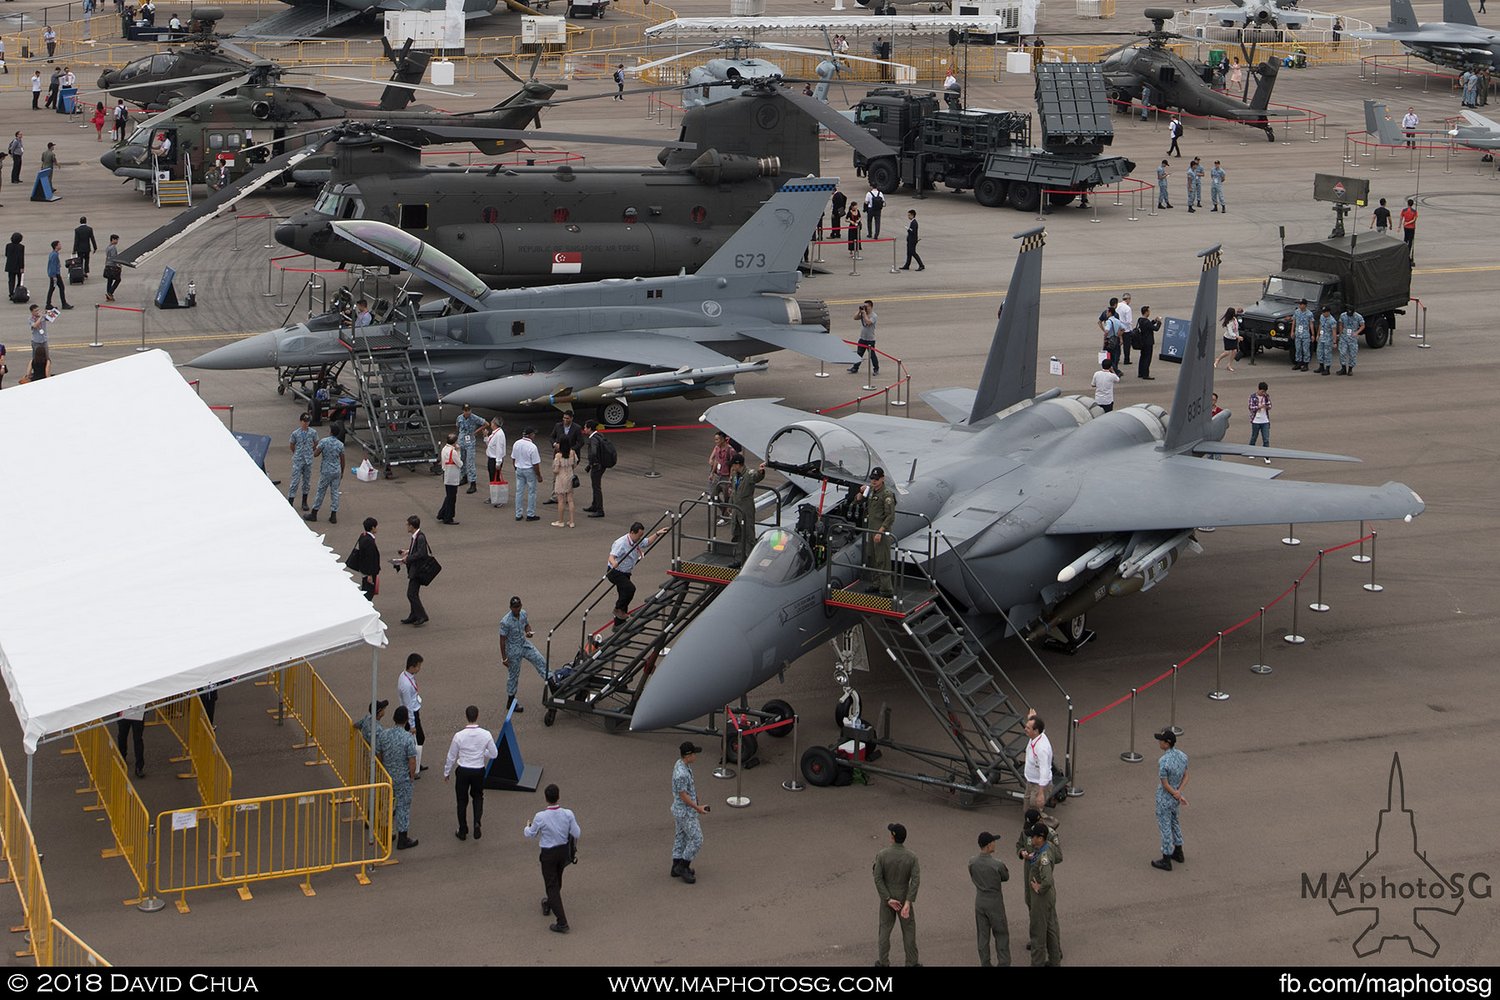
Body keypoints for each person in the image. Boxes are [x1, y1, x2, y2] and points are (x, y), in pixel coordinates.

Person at [525, 783, 580, 934]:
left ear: (546, 798)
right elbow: (577, 832)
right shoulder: (568, 814)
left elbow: (530, 834)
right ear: (558, 796)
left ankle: (562, 922)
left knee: (551, 885)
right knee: (557, 880)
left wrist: (527, 827)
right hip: (563, 852)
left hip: (548, 854)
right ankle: (549, 903)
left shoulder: (540, 816)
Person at [443, 705, 498, 842]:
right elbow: (494, 754)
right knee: (478, 797)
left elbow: (451, 755)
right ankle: (477, 822)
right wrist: (482, 753)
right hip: (478, 770)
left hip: (463, 770)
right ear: (477, 716)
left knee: (461, 801)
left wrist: (447, 771)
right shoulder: (486, 734)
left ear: (466, 716)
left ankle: (462, 830)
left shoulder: (459, 736)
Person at [873, 822, 920, 967]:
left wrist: (887, 898)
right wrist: (908, 902)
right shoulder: (912, 857)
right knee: (909, 931)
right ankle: (911, 962)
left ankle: (883, 962)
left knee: (885, 930)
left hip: (888, 897)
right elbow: (915, 880)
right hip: (904, 894)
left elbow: (878, 878)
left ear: (892, 837)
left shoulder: (882, 855)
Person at [607, 521, 671, 627]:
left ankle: (619, 623)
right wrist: (614, 563)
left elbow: (646, 543)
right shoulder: (621, 543)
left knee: (624, 594)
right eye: (639, 535)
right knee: (630, 589)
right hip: (615, 572)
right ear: (632, 532)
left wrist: (657, 534)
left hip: (626, 572)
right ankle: (618, 609)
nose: (640, 537)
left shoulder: (636, 540)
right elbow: (611, 556)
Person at [377, 706, 420, 849]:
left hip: (387, 775)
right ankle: (403, 837)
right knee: (403, 807)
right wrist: (412, 775)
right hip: (402, 778)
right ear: (406, 720)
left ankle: (386, 833)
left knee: (387, 805)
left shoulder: (384, 734)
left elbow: (379, 753)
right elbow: (412, 760)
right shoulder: (407, 738)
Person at [498, 595, 549, 713]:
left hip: (524, 644)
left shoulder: (523, 614)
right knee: (513, 675)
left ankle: (551, 682)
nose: (517, 609)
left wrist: (528, 632)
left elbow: (526, 624)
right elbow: (502, 640)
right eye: (515, 607)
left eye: (518, 606)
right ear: (510, 607)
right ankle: (511, 701)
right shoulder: (505, 621)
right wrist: (504, 658)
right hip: (513, 649)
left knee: (540, 660)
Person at [1150, 729, 1190, 870]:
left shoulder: (1164, 761)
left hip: (1165, 798)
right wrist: (1179, 792)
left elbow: (1164, 784)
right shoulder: (1183, 756)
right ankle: (1178, 851)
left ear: (1167, 743)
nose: (1159, 742)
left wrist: (1174, 793)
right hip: (1175, 797)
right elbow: (1186, 776)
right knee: (1175, 822)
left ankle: (1166, 858)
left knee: (1165, 827)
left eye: (1161, 740)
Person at [970, 831, 1010, 966]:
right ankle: (1003, 963)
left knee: (982, 935)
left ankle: (985, 963)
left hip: (980, 901)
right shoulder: (997, 864)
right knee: (1001, 934)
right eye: (993, 841)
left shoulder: (972, 862)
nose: (995, 843)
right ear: (988, 845)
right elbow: (1005, 877)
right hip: (994, 902)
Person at [1024, 824, 1062, 966]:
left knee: (1038, 932)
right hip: (1050, 896)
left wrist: (1039, 888)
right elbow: (1058, 857)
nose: (1030, 838)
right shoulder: (1048, 847)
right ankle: (1054, 961)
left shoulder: (1044, 856)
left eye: (1033, 836)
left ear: (1040, 838)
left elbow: (1047, 879)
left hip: (1041, 898)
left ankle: (1037, 963)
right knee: (1051, 928)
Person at [670, 742, 708, 884]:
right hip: (685, 812)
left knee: (681, 837)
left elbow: (687, 790)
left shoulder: (681, 765)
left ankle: (675, 865)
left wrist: (695, 797)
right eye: (694, 754)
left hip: (680, 810)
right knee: (697, 839)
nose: (695, 756)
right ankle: (683, 866)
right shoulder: (682, 774)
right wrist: (698, 807)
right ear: (688, 755)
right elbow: (683, 795)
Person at [862, 466, 897, 597]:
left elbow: (890, 516)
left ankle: (886, 589)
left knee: (883, 560)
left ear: (882, 479)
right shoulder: (871, 491)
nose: (874, 481)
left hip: (880, 532)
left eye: (877, 479)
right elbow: (861, 498)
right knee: (872, 557)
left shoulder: (887, 495)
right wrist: (861, 493)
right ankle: (876, 584)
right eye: (872, 479)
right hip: (871, 530)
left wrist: (880, 532)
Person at [727, 454, 766, 564]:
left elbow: (757, 477)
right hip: (736, 508)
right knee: (737, 533)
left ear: (738, 464)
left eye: (733, 465)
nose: (732, 467)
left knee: (748, 534)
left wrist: (761, 471)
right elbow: (734, 492)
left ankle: (751, 560)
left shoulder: (749, 474)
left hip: (746, 507)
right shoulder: (735, 475)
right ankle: (739, 559)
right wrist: (731, 505)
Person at [305, 421, 346, 523]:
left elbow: (316, 454)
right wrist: (342, 472)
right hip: (336, 470)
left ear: (331, 432)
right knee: (335, 492)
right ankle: (333, 515)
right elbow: (343, 460)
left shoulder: (324, 442)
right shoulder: (340, 444)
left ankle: (314, 513)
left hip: (326, 471)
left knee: (321, 491)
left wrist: (314, 448)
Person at [396, 653, 427, 774]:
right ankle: (412, 766)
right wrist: (412, 724)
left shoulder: (406, 676)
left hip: (413, 710)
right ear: (412, 666)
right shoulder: (406, 684)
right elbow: (408, 706)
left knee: (416, 740)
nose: (419, 668)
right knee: (418, 738)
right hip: (411, 714)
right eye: (418, 666)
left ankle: (416, 763)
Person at [398, 516, 432, 626]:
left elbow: (421, 553)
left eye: (407, 525)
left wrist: (408, 558)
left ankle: (422, 615)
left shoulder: (420, 537)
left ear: (412, 526)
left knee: (411, 594)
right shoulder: (416, 536)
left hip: (417, 570)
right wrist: (408, 552)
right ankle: (414, 615)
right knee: (413, 593)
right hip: (414, 569)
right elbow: (416, 549)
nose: (406, 527)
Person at [545, 410, 582, 505]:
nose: (565, 420)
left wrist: (572, 450)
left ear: (571, 418)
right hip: (558, 454)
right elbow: (551, 437)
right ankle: (554, 496)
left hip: (570, 456)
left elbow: (580, 442)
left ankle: (567, 495)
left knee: (568, 476)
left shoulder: (577, 428)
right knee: (556, 476)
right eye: (564, 418)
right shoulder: (558, 426)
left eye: (567, 418)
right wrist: (554, 444)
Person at [1024, 711, 1054, 820]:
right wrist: (1032, 717)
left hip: (1038, 783)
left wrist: (1041, 793)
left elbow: (1044, 771)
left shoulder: (1041, 749)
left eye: (1028, 728)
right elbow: (1041, 728)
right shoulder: (1038, 735)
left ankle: (1040, 826)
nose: (1025, 729)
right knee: (1027, 808)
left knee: (1034, 809)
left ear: (1036, 731)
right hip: (1031, 780)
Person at [511, 427, 542, 522]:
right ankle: (530, 513)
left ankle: (518, 513)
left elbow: (513, 458)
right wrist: (539, 475)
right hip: (529, 470)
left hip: (519, 468)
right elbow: (535, 464)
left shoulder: (517, 443)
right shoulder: (532, 447)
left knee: (519, 491)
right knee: (532, 492)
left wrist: (515, 467)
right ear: (530, 435)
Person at [287, 412, 316, 510]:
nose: (306, 423)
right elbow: (292, 445)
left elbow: (316, 443)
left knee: (306, 481)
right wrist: (297, 453)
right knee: (295, 481)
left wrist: (310, 452)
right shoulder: (295, 433)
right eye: (304, 421)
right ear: (301, 421)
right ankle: (290, 500)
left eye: (307, 422)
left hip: (308, 459)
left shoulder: (313, 432)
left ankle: (304, 501)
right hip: (298, 459)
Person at [348, 516, 381, 601]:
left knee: (366, 590)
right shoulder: (369, 541)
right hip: (369, 572)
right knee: (369, 592)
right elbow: (368, 558)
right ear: (373, 527)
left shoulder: (363, 536)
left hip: (364, 570)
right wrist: (369, 574)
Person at [456, 403, 485, 494]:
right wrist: (457, 439)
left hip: (470, 443)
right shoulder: (459, 418)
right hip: (461, 441)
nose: (467, 412)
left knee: (470, 462)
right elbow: (458, 427)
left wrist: (476, 431)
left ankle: (473, 483)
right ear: (463, 411)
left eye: (468, 410)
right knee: (462, 460)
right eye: (465, 410)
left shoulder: (474, 418)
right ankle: (464, 476)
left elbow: (485, 423)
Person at [582, 420, 608, 518]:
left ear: (589, 428)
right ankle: (594, 505)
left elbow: (593, 452)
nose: (584, 429)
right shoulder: (600, 435)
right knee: (595, 485)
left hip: (597, 466)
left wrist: (592, 463)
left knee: (596, 487)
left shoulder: (593, 439)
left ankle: (600, 509)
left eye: (585, 427)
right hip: (601, 464)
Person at [550, 441, 578, 528]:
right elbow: (575, 464)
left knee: (561, 500)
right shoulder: (572, 453)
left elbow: (556, 469)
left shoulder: (558, 455)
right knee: (570, 500)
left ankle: (561, 521)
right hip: (570, 476)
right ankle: (572, 521)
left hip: (561, 478)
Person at [437, 432, 461, 525]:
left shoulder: (444, 449)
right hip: (453, 476)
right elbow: (460, 463)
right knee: (452, 498)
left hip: (446, 474)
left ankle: (442, 513)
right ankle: (448, 517)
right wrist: (458, 451)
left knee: (449, 496)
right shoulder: (453, 452)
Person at [116, 705, 146, 778]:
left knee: (138, 739)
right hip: (124, 710)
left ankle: (139, 767)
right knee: (122, 736)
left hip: (138, 712)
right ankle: (122, 758)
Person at [849, 299, 878, 375]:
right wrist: (859, 311)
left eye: (867, 306)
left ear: (871, 307)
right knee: (859, 354)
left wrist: (864, 314)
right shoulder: (863, 314)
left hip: (870, 340)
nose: (865, 308)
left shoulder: (874, 316)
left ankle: (876, 369)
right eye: (864, 306)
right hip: (862, 338)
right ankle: (855, 368)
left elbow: (868, 322)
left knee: (872, 355)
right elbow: (855, 318)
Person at [707, 429, 733, 508]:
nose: (716, 441)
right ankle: (724, 512)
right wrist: (712, 473)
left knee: (727, 498)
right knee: (712, 495)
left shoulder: (730, 450)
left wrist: (730, 478)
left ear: (722, 439)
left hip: (726, 477)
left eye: (717, 439)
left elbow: (733, 466)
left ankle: (726, 515)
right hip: (718, 476)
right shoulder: (717, 448)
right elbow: (716, 460)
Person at [1213, 306, 1242, 372]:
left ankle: (1229, 365)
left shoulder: (1235, 319)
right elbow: (1230, 332)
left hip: (1234, 338)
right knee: (1227, 352)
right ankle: (1218, 359)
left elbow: (1236, 329)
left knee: (1234, 351)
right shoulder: (1229, 323)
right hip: (1228, 338)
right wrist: (1237, 337)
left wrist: (1238, 336)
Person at [1338, 307, 1364, 377]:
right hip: (1344, 336)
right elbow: (1340, 324)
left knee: (1352, 354)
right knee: (1342, 352)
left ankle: (1350, 369)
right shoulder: (1343, 315)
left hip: (1353, 337)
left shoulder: (1358, 316)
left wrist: (1357, 332)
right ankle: (1343, 368)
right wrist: (1340, 334)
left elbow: (1362, 325)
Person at [483, 416, 506, 497]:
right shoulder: (494, 433)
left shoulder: (499, 434)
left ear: (495, 424)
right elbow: (489, 445)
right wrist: (485, 436)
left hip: (495, 459)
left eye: (492, 422)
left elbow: (499, 448)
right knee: (492, 479)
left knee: (495, 478)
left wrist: (498, 462)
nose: (491, 424)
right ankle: (494, 496)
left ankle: (498, 497)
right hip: (491, 459)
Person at [1247, 382, 1271, 459]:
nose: (1263, 393)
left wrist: (1266, 406)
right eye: (1262, 391)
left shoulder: (1266, 396)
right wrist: (1259, 406)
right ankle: (1251, 451)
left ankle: (1266, 455)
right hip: (1256, 420)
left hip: (1265, 420)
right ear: (1259, 389)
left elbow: (1270, 405)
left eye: (1265, 392)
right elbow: (1251, 407)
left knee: (1266, 439)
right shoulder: (1253, 396)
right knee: (1254, 437)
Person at [44, 241, 71, 310]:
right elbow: (53, 266)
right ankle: (63, 304)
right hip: (55, 274)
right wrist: (54, 276)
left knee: (53, 288)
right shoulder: (54, 255)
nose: (60, 245)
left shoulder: (53, 254)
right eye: (59, 244)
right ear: (56, 246)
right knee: (60, 288)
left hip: (54, 274)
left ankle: (49, 303)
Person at [1135, 306, 1159, 379]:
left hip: (1142, 342)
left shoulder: (1140, 320)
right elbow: (1155, 328)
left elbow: (1149, 325)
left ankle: (1140, 373)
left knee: (1142, 357)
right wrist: (1159, 322)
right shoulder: (1147, 322)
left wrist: (1154, 321)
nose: (1149, 312)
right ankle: (1146, 374)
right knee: (1147, 359)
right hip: (1148, 342)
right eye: (1148, 311)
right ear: (1146, 312)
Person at [1290, 299, 1315, 372]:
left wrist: (1312, 334)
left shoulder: (1309, 314)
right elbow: (1294, 322)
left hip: (1305, 334)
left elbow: (1311, 324)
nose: (1300, 305)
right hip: (1298, 333)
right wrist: (1292, 331)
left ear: (1305, 305)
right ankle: (1298, 363)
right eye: (1299, 304)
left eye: (1301, 304)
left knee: (1305, 349)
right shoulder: (1297, 312)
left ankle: (1306, 364)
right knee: (1298, 349)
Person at [28, 304, 54, 373]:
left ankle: (47, 371)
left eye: (38, 310)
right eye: (35, 311)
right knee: (35, 358)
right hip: (36, 341)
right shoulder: (30, 319)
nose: (37, 312)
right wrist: (40, 317)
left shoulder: (43, 316)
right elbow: (35, 325)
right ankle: (35, 372)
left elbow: (53, 316)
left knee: (47, 358)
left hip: (44, 340)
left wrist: (47, 312)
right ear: (32, 312)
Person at [1316, 305, 1337, 376]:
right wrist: (1318, 335)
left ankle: (1327, 369)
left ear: (1328, 312)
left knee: (1327, 354)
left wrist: (1334, 342)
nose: (1323, 313)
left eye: (1325, 312)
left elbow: (1334, 332)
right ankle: (1321, 366)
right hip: (1321, 338)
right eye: (1323, 312)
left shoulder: (1332, 321)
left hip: (1328, 339)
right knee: (1319, 352)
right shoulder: (1322, 316)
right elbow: (1320, 325)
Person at [1115, 293, 1135, 365]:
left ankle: (1116, 358)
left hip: (1117, 328)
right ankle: (1126, 359)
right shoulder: (1127, 308)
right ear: (1128, 299)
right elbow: (1129, 321)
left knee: (1118, 344)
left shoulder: (1117, 305)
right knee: (1126, 346)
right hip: (1126, 329)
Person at [103, 234, 122, 301]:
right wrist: (119, 265)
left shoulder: (108, 247)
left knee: (110, 280)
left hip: (107, 265)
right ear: (112, 239)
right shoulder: (113, 247)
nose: (117, 241)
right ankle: (110, 293)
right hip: (112, 266)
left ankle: (109, 295)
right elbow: (114, 258)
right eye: (116, 239)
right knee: (118, 279)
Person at [4, 232, 22, 301]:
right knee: (19, 280)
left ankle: (11, 293)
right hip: (18, 266)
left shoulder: (8, 245)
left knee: (11, 280)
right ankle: (17, 292)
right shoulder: (21, 247)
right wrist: (22, 267)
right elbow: (21, 258)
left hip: (10, 265)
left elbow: (6, 254)